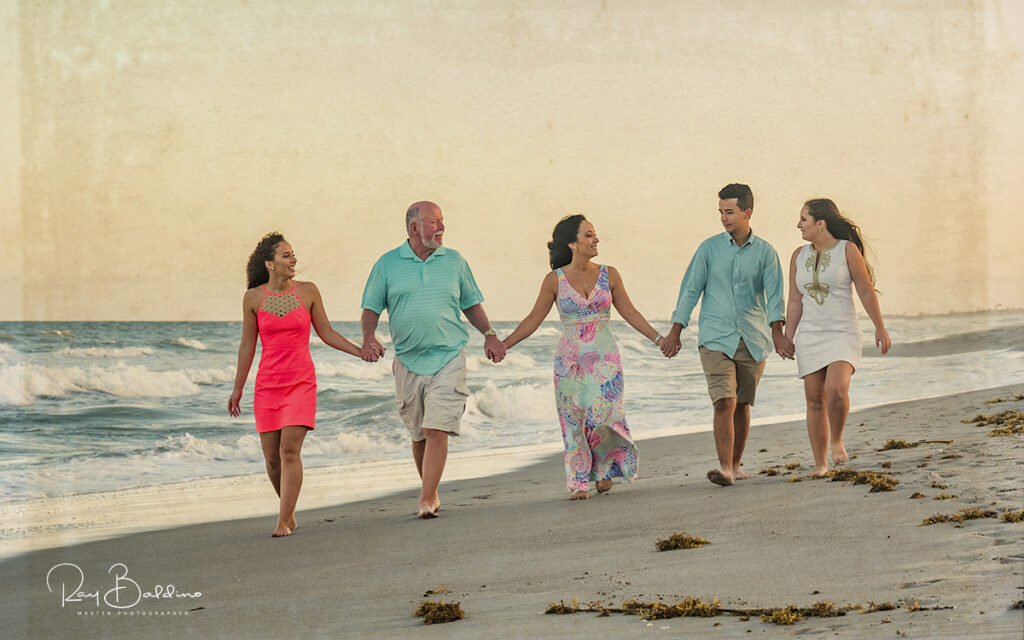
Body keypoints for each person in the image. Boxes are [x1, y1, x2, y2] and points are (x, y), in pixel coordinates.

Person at [360, 201, 506, 519]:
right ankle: (432, 488)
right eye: (434, 222)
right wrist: (369, 338)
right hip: (408, 360)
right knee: (418, 433)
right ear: (414, 228)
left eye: (442, 221)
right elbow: (371, 307)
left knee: (436, 428)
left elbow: (471, 303)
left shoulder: (454, 261)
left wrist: (490, 333)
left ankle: (426, 499)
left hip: (449, 356)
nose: (441, 228)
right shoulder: (387, 264)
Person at [502, 215, 662, 499]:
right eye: (588, 235)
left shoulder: (609, 274)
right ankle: (578, 482)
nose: (596, 239)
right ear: (573, 243)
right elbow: (532, 320)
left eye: (595, 234)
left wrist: (659, 339)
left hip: (605, 361)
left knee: (606, 415)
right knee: (573, 420)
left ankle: (603, 470)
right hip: (570, 361)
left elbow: (631, 313)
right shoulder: (555, 280)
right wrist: (504, 345)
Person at [229, 232, 364, 537]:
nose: (293, 260)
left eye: (293, 255)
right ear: (270, 264)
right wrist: (238, 388)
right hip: (267, 385)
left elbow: (326, 332)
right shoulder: (252, 298)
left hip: (301, 382)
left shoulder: (309, 292)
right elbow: (247, 346)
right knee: (272, 460)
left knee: (290, 452)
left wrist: (359, 351)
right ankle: (288, 513)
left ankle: (282, 520)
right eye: (286, 256)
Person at [661, 184, 788, 487]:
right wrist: (675, 331)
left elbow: (775, 296)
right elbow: (690, 290)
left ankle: (734, 464)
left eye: (729, 212)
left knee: (742, 404)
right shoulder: (708, 249)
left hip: (753, 339)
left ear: (747, 213)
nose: (723, 218)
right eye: (720, 212)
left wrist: (778, 333)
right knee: (724, 402)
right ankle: (725, 469)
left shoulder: (766, 252)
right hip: (715, 337)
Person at [784, 198, 891, 477]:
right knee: (814, 399)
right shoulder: (798, 255)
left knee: (836, 389)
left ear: (821, 223)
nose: (799, 225)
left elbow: (866, 291)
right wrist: (788, 335)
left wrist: (879, 327)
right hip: (810, 333)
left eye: (804, 219)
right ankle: (820, 464)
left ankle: (837, 439)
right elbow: (795, 300)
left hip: (843, 331)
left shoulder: (848, 250)